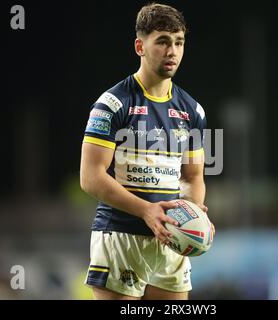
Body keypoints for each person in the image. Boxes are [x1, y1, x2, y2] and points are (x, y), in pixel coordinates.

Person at [80, 3, 213, 300]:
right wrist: (146, 211)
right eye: (163, 41)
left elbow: (192, 176)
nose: (172, 51)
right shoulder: (113, 104)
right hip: (121, 237)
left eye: (178, 42)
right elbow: (90, 177)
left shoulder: (192, 110)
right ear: (140, 46)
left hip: (168, 241)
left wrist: (191, 215)